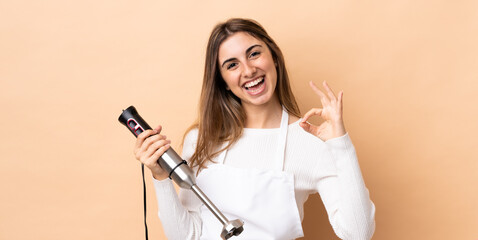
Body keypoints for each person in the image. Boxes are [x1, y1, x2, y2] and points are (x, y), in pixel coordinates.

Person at [133, 18, 375, 240]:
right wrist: (161, 177)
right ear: (224, 82)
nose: (248, 71)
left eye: (254, 54)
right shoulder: (201, 139)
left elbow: (358, 232)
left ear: (274, 59)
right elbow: (187, 236)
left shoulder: (310, 142)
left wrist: (340, 144)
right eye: (232, 65)